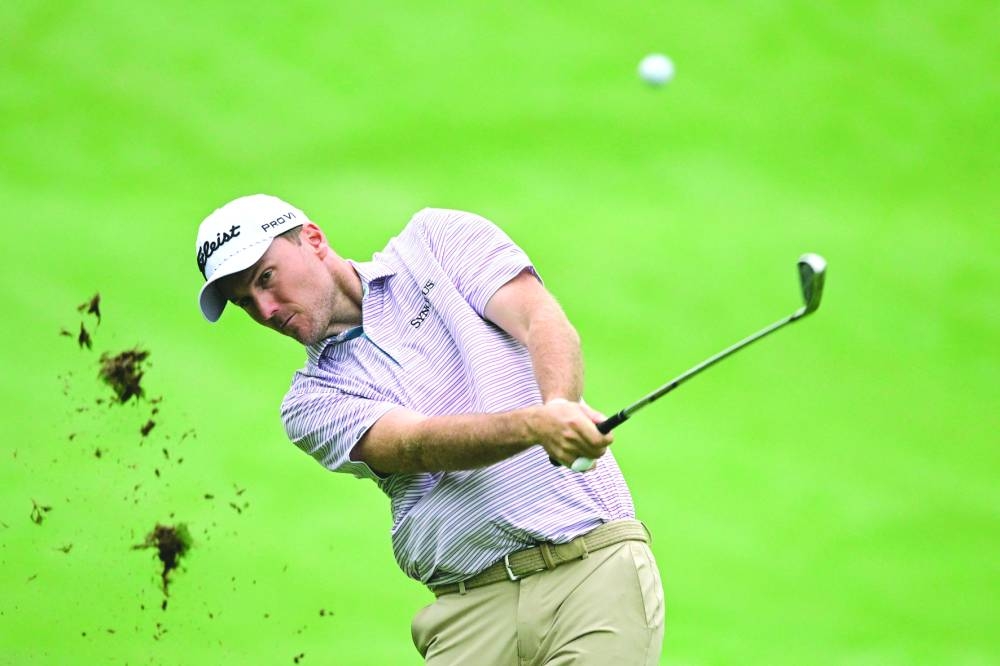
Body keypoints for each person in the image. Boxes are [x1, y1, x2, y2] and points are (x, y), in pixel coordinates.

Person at [195, 194, 664, 665]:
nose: (265, 310)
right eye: (244, 302)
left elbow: (537, 317)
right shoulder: (310, 402)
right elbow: (415, 445)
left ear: (313, 240)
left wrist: (559, 404)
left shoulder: (434, 242)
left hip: (590, 572)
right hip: (468, 614)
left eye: (266, 278)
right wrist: (537, 426)